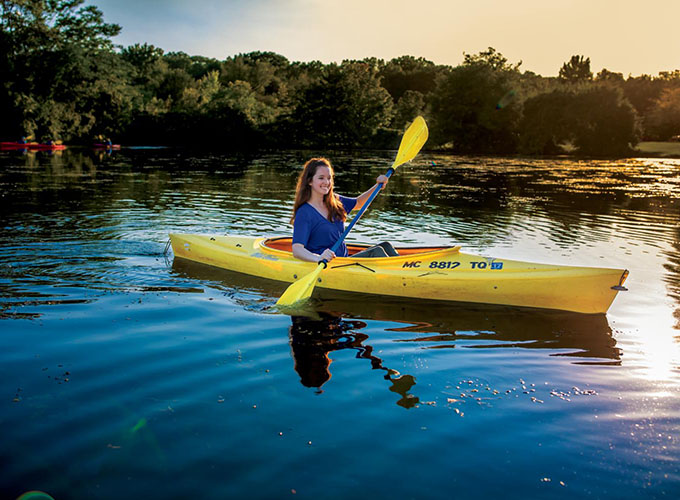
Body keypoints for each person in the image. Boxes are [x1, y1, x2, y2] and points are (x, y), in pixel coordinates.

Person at [290, 157, 398, 263]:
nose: (326, 182)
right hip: (328, 264)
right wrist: (318, 258)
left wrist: (378, 185)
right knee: (377, 252)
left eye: (329, 178)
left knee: (386, 246)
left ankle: (405, 272)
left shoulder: (334, 201)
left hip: (344, 261)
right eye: (321, 178)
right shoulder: (304, 212)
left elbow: (359, 203)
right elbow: (297, 250)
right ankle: (400, 277)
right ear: (309, 181)